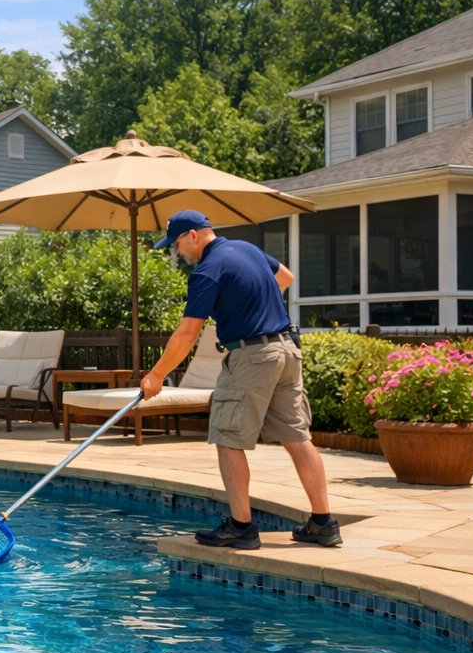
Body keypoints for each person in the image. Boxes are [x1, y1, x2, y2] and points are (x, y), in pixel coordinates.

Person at [138, 209, 340, 551]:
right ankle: (323, 524)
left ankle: (241, 528)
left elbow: (188, 333)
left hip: (252, 357)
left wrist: (156, 375)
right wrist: (247, 304)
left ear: (194, 235)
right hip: (287, 350)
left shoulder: (207, 271)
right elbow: (285, 277)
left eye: (176, 244)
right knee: (296, 437)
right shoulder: (247, 249)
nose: (177, 253)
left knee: (228, 437)